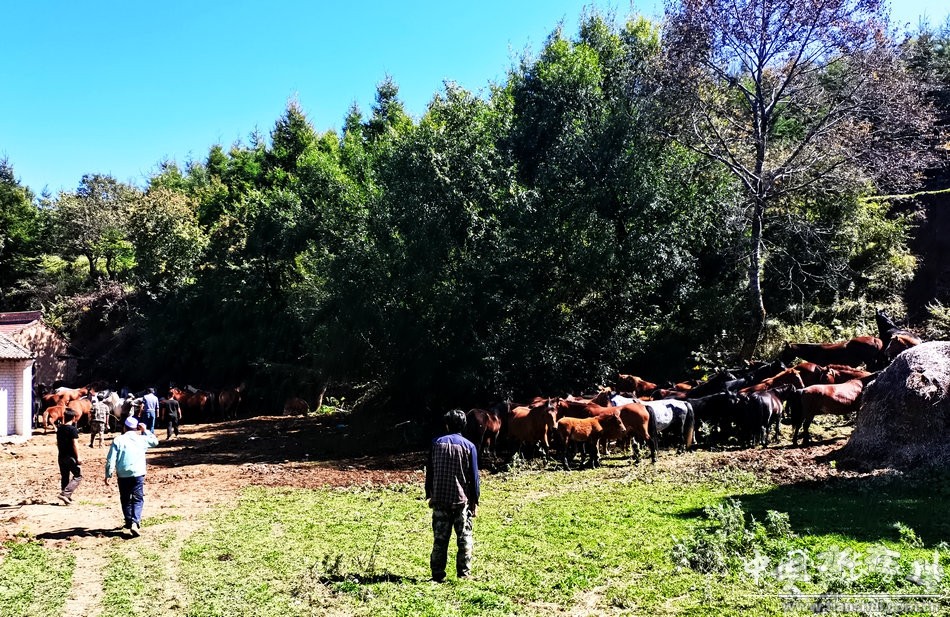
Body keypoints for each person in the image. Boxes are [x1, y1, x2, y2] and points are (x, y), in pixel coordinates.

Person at [424, 409, 480, 582]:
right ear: (464, 425)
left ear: (447, 425)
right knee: (464, 539)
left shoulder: (436, 443)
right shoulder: (469, 446)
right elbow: (474, 477)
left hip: (440, 499)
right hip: (460, 500)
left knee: (439, 539)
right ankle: (463, 574)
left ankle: (437, 574)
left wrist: (429, 493)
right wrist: (475, 500)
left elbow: (430, 472)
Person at [104, 416, 159, 537]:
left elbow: (110, 459)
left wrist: (108, 474)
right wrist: (146, 430)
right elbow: (155, 442)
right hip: (138, 473)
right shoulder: (141, 439)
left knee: (125, 498)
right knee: (138, 498)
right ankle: (135, 521)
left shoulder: (118, 440)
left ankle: (129, 521)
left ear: (124, 427)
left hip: (123, 474)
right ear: (136, 428)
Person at [56, 409, 82, 505]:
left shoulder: (60, 428)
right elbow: (75, 444)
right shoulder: (73, 429)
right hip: (70, 456)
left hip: (61, 455)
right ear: (74, 418)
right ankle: (65, 494)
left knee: (65, 476)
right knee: (78, 476)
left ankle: (66, 497)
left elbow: (58, 443)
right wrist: (78, 457)